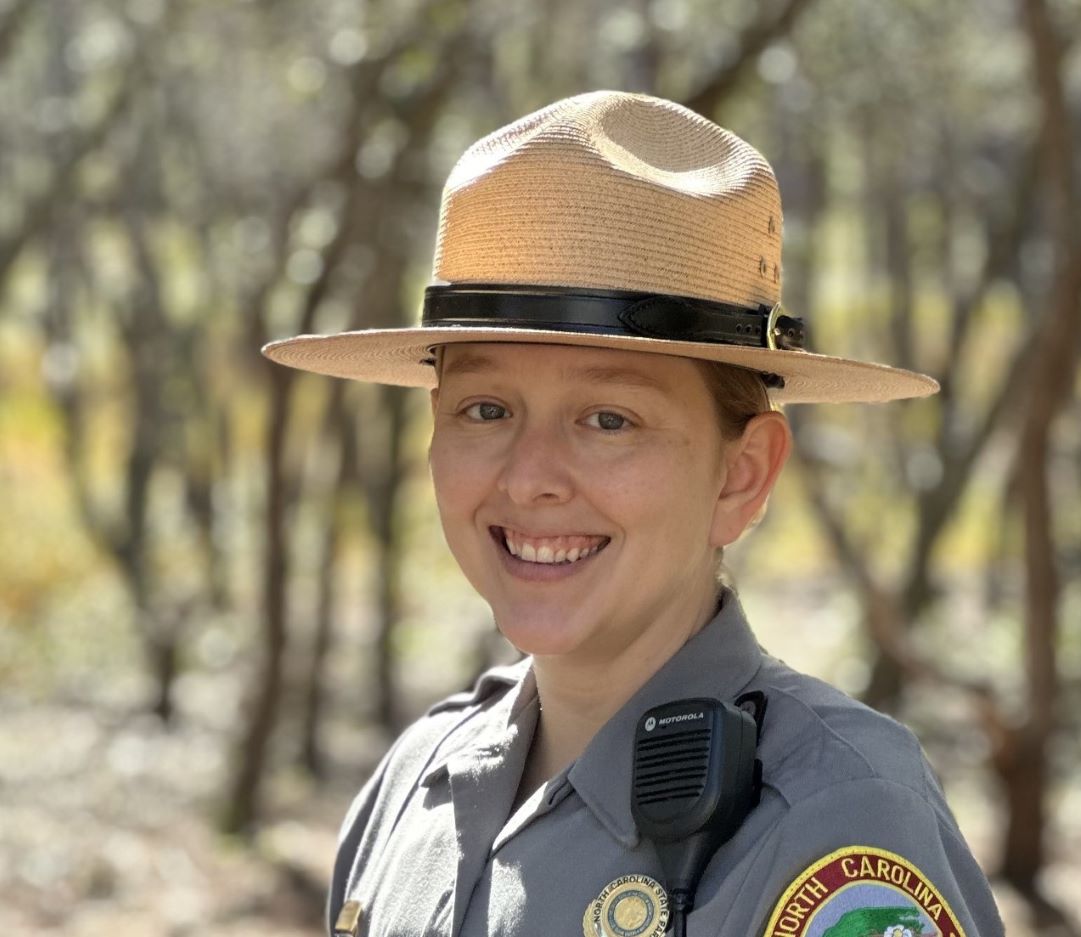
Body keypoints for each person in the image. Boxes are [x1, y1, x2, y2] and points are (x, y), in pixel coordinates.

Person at [264, 91, 1004, 937]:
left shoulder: (833, 822)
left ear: (743, 474)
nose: (531, 478)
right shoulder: (420, 778)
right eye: (485, 410)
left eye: (608, 420)